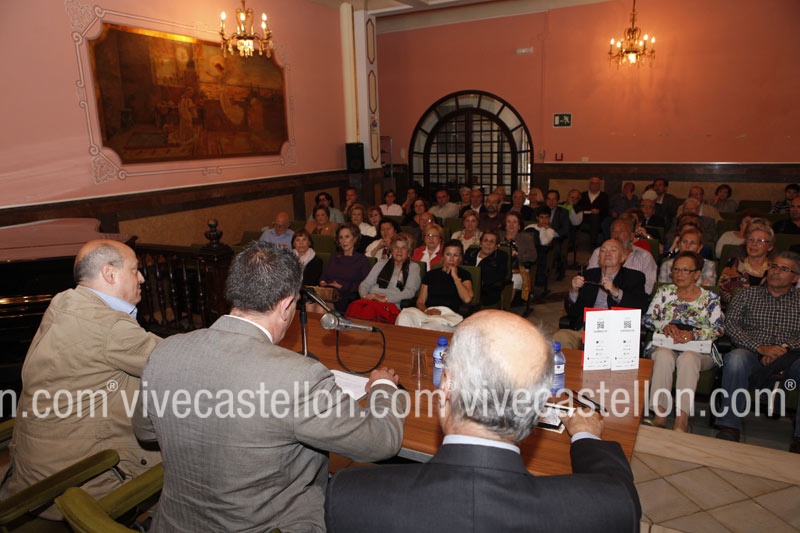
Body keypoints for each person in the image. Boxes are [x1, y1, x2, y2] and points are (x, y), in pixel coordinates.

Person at [134, 242, 407, 531]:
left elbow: (144, 431)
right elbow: (381, 441)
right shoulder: (299, 377)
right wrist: (383, 388)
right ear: (287, 305)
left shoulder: (164, 351)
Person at [326, 310, 642, 532]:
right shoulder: (609, 507)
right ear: (538, 407)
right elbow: (618, 487)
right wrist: (586, 437)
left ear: (445, 389)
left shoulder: (350, 497)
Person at [0, 240, 162, 518]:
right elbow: (177, 363)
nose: (142, 278)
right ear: (110, 273)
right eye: (135, 270)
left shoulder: (63, 302)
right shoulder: (107, 325)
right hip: (77, 486)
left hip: (34, 477)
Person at [714, 251, 800, 454]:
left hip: (791, 357)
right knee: (735, 358)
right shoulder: (747, 294)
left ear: (795, 277)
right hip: (751, 353)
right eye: (774, 266)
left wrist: (785, 348)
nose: (776, 271)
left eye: (784, 269)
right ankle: (729, 426)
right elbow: (731, 326)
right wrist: (759, 347)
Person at [644, 251, 724, 432]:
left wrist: (694, 334)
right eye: (676, 269)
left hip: (699, 350)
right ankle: (660, 415)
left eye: (685, 270)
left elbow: (719, 329)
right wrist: (664, 325)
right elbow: (647, 319)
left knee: (688, 358)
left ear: (697, 274)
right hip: (666, 344)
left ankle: (682, 419)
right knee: (663, 356)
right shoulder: (664, 292)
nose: (679, 274)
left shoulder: (710, 298)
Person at [553, 239, 649, 350]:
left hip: (617, 332)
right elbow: (572, 312)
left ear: (623, 258)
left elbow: (641, 306)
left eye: (613, 250)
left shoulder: (634, 277)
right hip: (586, 330)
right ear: (599, 258)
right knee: (560, 337)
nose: (607, 253)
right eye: (603, 250)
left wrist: (616, 292)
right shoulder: (588, 275)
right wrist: (574, 291)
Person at [396, 240, 474, 332]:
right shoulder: (431, 274)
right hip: (428, 313)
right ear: (442, 256)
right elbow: (420, 301)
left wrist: (455, 277)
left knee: (428, 328)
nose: (451, 259)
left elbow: (467, 299)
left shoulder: (464, 274)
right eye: (448, 254)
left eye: (455, 255)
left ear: (460, 258)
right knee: (404, 317)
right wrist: (426, 311)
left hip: (449, 317)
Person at [587, 218, 658, 294]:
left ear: (632, 236)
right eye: (614, 231)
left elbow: (649, 288)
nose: (616, 235)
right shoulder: (599, 252)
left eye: (621, 231)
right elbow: (589, 280)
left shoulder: (644, 256)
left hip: (631, 298)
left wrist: (621, 294)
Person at [356, 233, 421, 308]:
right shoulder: (381, 263)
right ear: (392, 250)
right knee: (354, 308)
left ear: (409, 252)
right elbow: (365, 284)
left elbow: (409, 292)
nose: (399, 251)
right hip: (370, 301)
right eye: (396, 247)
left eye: (403, 248)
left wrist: (385, 299)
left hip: (390, 304)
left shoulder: (413, 267)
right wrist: (365, 297)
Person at [319, 223, 372, 313]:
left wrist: (342, 286)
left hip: (346, 297)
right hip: (328, 293)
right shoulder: (334, 257)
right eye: (341, 237)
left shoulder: (362, 260)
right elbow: (323, 277)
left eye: (347, 237)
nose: (343, 241)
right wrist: (323, 283)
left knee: (319, 308)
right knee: (310, 305)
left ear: (355, 239)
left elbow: (365, 285)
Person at [718, 222, 774, 306]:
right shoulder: (734, 264)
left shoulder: (774, 269)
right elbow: (722, 290)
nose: (754, 244)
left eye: (760, 241)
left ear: (770, 246)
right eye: (751, 240)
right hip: (735, 309)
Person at [463, 230, 508, 307]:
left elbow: (498, 277)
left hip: (486, 292)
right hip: (465, 288)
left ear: (496, 246)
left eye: (492, 241)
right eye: (485, 240)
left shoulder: (501, 257)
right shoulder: (470, 253)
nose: (488, 244)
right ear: (480, 243)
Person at [500, 211, 536, 301]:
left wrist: (518, 255)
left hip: (519, 269)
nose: (511, 225)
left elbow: (533, 256)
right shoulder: (498, 237)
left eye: (515, 222)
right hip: (500, 268)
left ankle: (505, 306)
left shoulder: (527, 238)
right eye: (509, 222)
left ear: (519, 226)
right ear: (505, 224)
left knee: (513, 280)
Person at [578, 176, 609, 247]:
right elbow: (579, 207)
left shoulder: (604, 196)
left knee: (595, 217)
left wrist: (599, 211)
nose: (594, 185)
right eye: (592, 183)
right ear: (589, 184)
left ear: (600, 185)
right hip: (584, 217)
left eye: (596, 183)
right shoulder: (583, 195)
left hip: (598, 218)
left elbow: (606, 210)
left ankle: (593, 242)